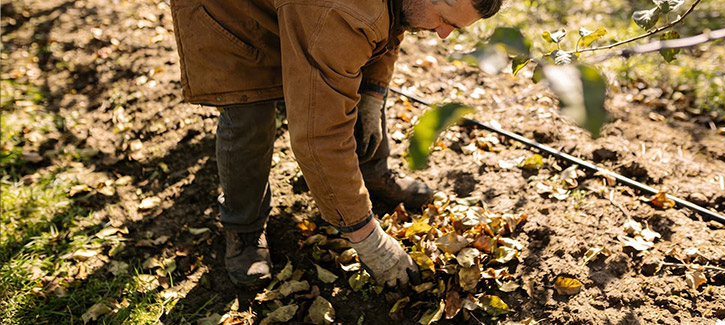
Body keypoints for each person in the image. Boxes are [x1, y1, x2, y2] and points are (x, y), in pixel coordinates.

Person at [169, 0, 502, 289]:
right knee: (249, 114)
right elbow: (318, 132)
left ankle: (371, 173)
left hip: (307, 12)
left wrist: (373, 93)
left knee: (351, 83)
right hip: (230, 13)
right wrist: (367, 239)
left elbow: (391, 22)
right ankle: (243, 228)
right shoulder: (337, 10)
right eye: (446, 21)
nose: (443, 33)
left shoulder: (400, 6)